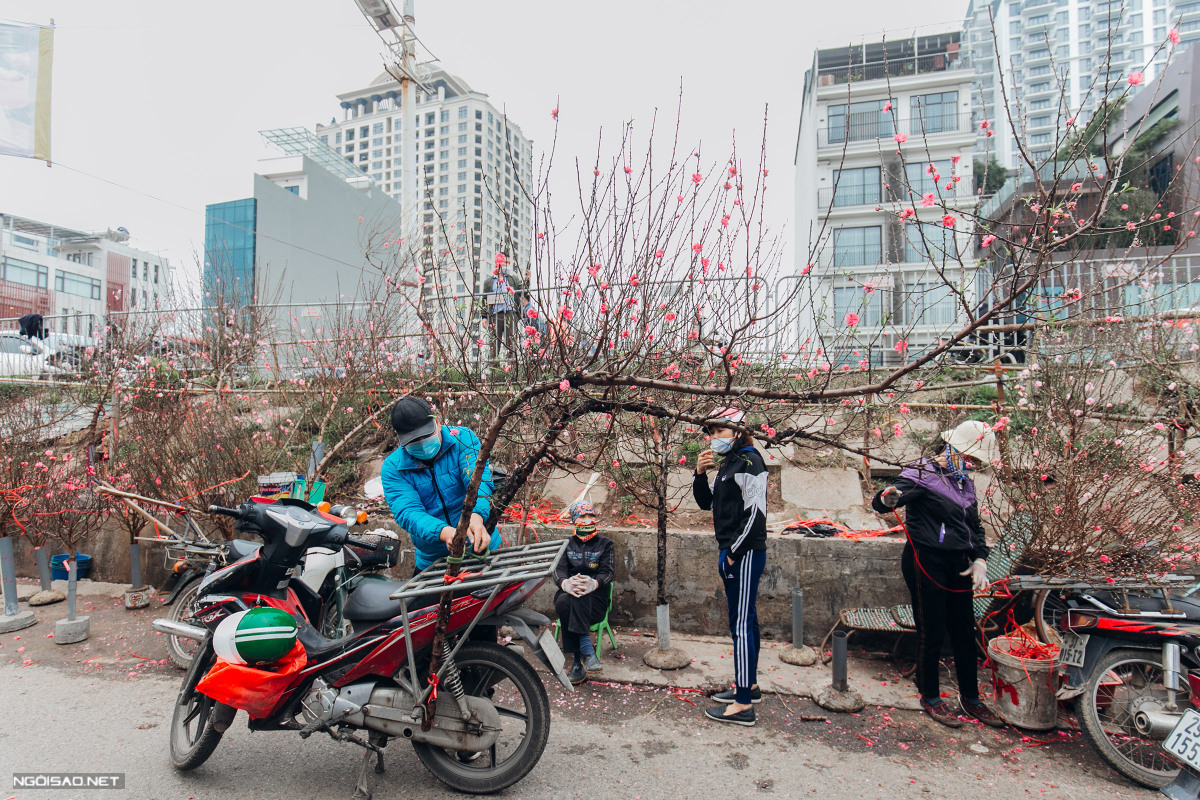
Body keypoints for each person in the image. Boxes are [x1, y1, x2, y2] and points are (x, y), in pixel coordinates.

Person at [871, 419, 1005, 729]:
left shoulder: (964, 482)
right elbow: (887, 498)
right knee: (932, 630)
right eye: (969, 458)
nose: (971, 465)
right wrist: (885, 497)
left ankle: (971, 698)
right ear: (952, 447)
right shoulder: (923, 473)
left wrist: (980, 559)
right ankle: (930, 695)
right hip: (926, 560)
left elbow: (974, 527)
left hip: (958, 562)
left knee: (963, 632)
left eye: (976, 462)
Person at [693, 406, 767, 727]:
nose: (713, 437)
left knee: (740, 624)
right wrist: (699, 474)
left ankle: (742, 705)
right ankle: (747, 686)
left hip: (744, 551)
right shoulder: (728, 464)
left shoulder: (751, 461)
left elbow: (755, 515)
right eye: (710, 431)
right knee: (745, 621)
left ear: (738, 430)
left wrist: (734, 553)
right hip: (733, 550)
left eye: (719, 430)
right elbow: (705, 503)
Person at [380, 396, 501, 574]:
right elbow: (408, 512)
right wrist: (445, 532)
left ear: (437, 422)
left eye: (426, 435)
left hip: (481, 544)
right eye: (414, 441)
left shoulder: (462, 439)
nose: (421, 444)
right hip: (434, 561)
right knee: (425, 603)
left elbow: (478, 481)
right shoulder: (393, 468)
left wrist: (476, 516)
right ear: (400, 439)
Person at [553, 501, 614, 685]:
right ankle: (586, 652)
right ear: (574, 520)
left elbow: (608, 573)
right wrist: (566, 583)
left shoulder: (606, 544)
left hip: (596, 601)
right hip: (568, 596)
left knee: (575, 598)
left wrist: (593, 583)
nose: (588, 520)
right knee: (565, 600)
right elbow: (558, 571)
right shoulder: (566, 545)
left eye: (591, 516)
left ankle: (578, 662)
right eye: (582, 516)